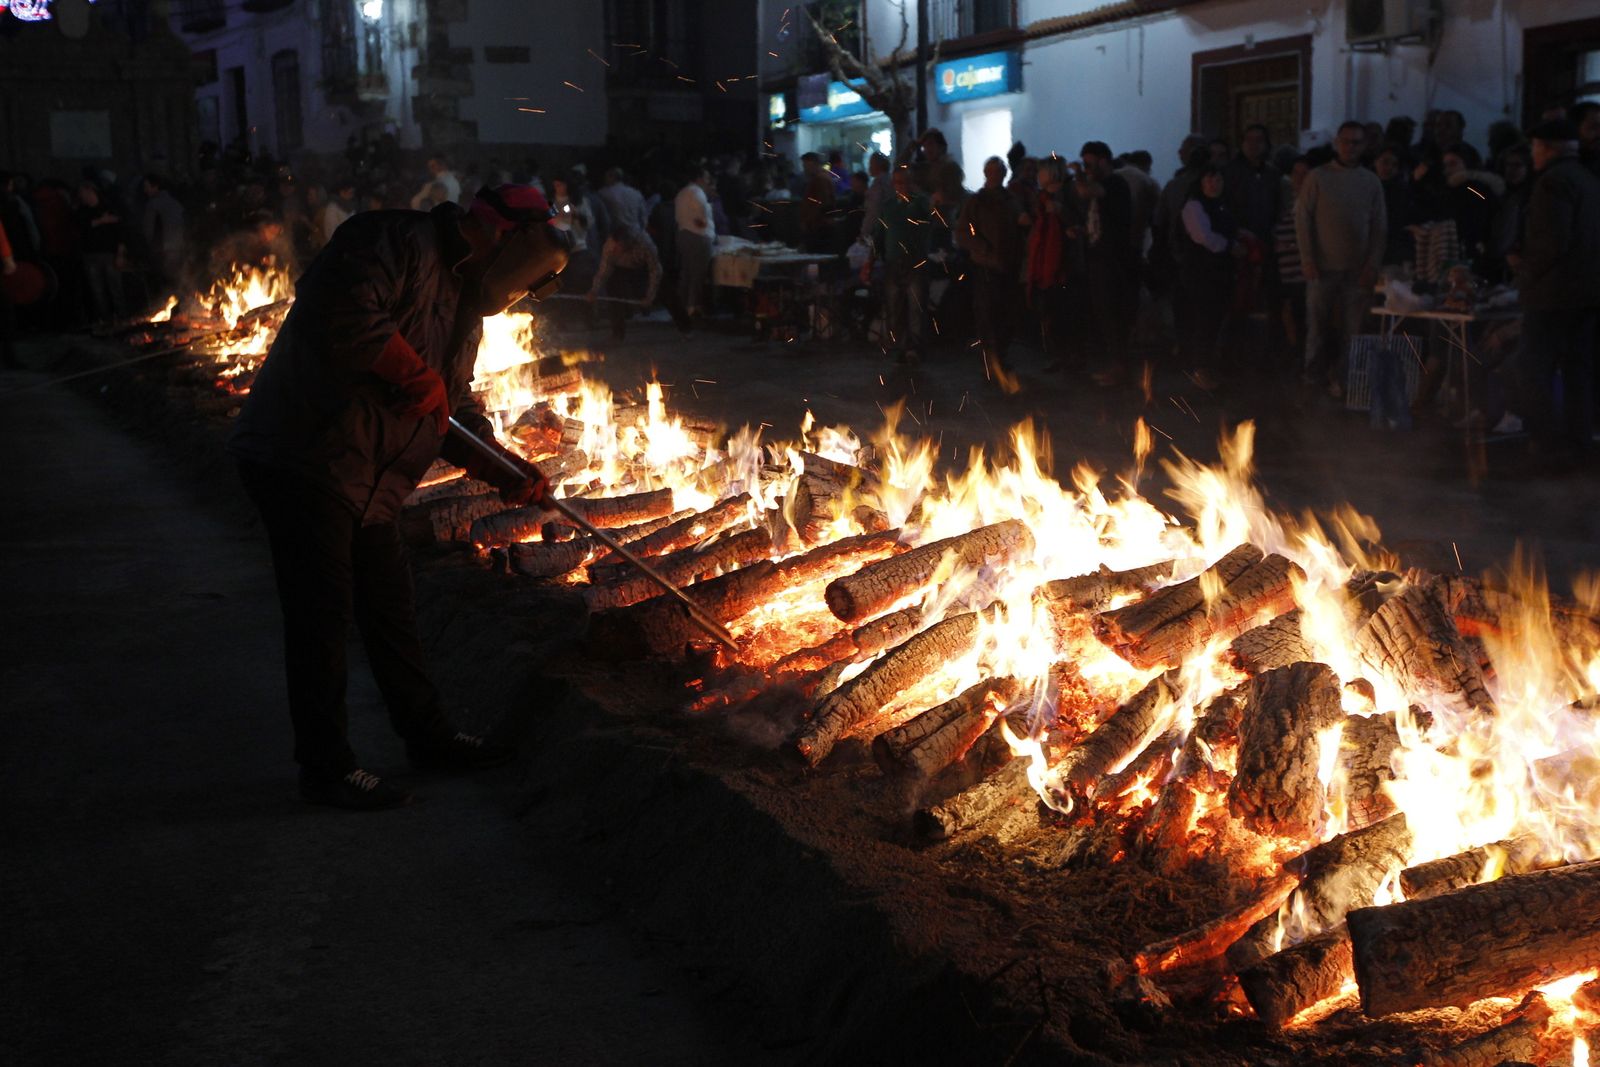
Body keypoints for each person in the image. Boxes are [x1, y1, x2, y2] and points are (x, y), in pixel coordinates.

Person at [228, 184, 573, 810]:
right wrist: (412, 374)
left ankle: (429, 739)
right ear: (498, 234)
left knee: (390, 610)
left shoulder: (467, 303)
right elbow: (346, 312)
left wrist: (503, 468)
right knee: (322, 618)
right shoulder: (388, 239)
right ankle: (326, 769)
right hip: (305, 454)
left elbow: (453, 407)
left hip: (370, 479)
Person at [1512, 119, 1600, 469]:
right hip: (1587, 292)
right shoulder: (1589, 180)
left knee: (1532, 368)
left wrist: (1524, 274)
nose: (1532, 154)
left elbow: (1552, 242)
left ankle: (1545, 439)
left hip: (1554, 295)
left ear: (1547, 148)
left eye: (1535, 147)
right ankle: (1578, 440)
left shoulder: (1553, 183)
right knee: (1578, 369)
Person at [1294, 120, 1386, 397]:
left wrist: (1372, 264)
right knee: (1317, 327)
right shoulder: (1318, 178)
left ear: (1364, 145)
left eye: (1356, 142)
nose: (1350, 147)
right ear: (1337, 143)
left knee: (1354, 330)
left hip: (1357, 270)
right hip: (1322, 268)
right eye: (1346, 141)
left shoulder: (1371, 181)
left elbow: (1380, 226)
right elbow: (1302, 218)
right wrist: (1308, 258)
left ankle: (1348, 383)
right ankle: (1313, 379)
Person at [1178, 165, 1247, 388]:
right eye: (1209, 180)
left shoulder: (1223, 205)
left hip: (1222, 272)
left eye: (1217, 180)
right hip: (1202, 273)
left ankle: (1210, 365)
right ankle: (1200, 368)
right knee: (1204, 320)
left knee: (1215, 319)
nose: (1213, 184)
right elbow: (1203, 236)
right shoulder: (1194, 206)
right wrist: (1230, 246)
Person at [956, 156, 1022, 382]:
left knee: (1007, 314)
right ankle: (991, 359)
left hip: (1008, 266)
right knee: (988, 315)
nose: (995, 176)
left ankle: (1000, 356)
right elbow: (962, 231)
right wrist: (982, 248)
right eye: (991, 172)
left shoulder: (1011, 200)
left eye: (998, 172)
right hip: (986, 266)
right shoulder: (977, 201)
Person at [1077, 141, 1136, 384]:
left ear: (1103, 160)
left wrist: (1079, 175)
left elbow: (1087, 191)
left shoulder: (1115, 183)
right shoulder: (1104, 185)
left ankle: (1120, 367)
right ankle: (1116, 364)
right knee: (1103, 313)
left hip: (1113, 261)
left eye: (1089, 163)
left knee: (1113, 315)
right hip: (1100, 258)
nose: (1086, 168)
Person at [863, 165, 932, 364]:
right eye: (897, 182)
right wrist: (870, 261)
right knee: (896, 307)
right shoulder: (889, 206)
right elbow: (879, 236)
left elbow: (930, 219)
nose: (900, 186)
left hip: (914, 262)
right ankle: (902, 345)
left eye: (903, 182)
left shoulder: (920, 204)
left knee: (915, 307)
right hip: (894, 262)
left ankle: (914, 348)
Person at [586, 224, 666, 341]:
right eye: (616, 246)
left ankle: (685, 327)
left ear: (629, 244)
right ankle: (617, 334)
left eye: (621, 247)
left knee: (665, 290)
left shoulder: (645, 244)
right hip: (619, 268)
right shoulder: (610, 247)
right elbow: (604, 271)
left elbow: (655, 270)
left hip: (641, 267)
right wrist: (594, 290)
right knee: (614, 293)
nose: (617, 249)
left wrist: (650, 296)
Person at [77, 180, 126, 323]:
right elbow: (81, 228)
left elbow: (120, 232)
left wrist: (120, 254)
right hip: (90, 255)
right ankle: (106, 320)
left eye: (83, 193)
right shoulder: (82, 211)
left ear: (91, 191)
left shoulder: (108, 207)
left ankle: (122, 319)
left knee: (115, 288)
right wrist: (101, 221)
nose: (82, 197)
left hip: (109, 254)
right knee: (97, 290)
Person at [673, 165, 716, 328]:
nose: (707, 181)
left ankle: (680, 307)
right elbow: (701, 218)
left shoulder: (682, 193)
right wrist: (704, 227)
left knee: (686, 273)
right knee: (697, 274)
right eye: (705, 178)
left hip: (683, 234)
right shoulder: (697, 193)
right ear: (698, 178)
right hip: (697, 237)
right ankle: (691, 309)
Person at [140, 174, 185, 293]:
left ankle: (167, 306)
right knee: (177, 279)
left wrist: (149, 247)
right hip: (178, 247)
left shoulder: (153, 204)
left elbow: (148, 230)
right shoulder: (176, 203)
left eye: (147, 186)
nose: (145, 190)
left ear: (155, 187)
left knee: (165, 282)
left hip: (162, 250)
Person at [798, 152, 836, 252]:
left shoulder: (820, 179)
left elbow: (821, 204)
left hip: (818, 226)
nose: (804, 168)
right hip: (819, 225)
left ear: (813, 164)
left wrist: (808, 221)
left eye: (805, 165)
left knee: (816, 258)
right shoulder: (822, 178)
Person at [597, 167, 650, 235]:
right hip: (636, 235)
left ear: (612, 177)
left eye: (605, 177)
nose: (604, 181)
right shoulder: (636, 193)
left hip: (615, 238)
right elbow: (644, 218)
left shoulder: (603, 193)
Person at [322, 178, 360, 243]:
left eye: (353, 193)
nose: (352, 196)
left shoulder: (351, 208)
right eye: (350, 193)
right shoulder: (332, 209)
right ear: (342, 193)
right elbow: (331, 232)